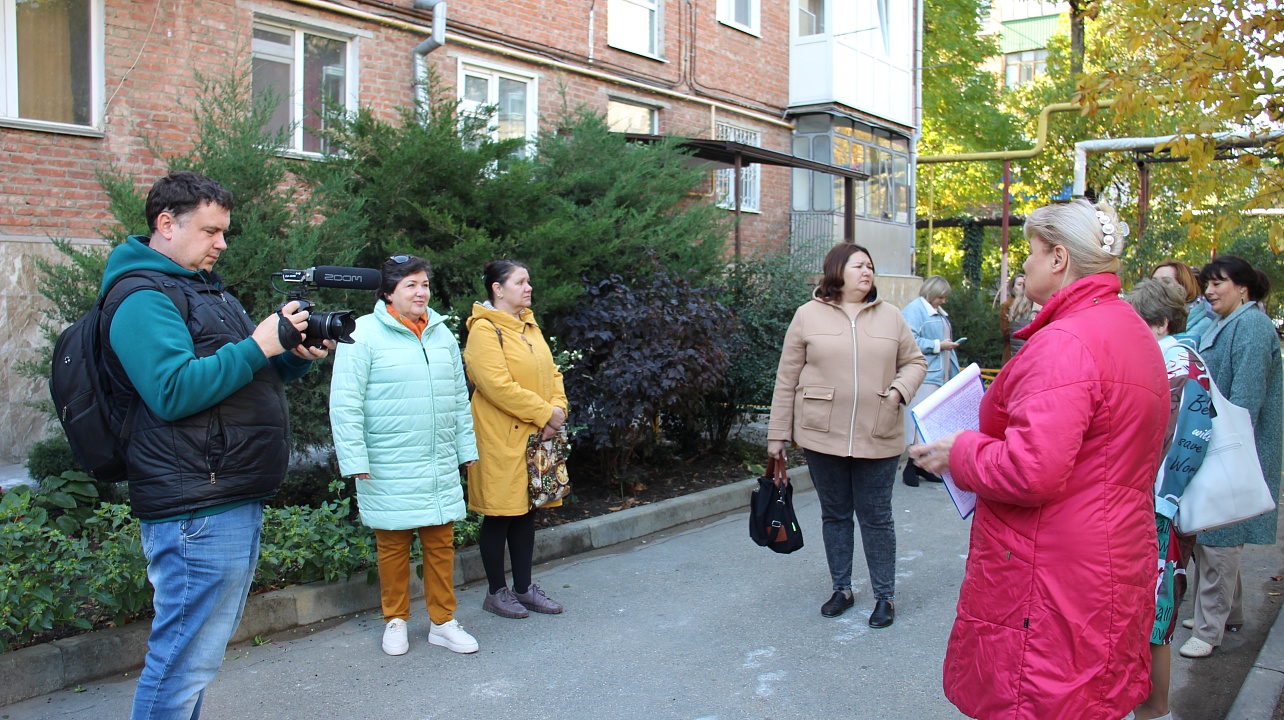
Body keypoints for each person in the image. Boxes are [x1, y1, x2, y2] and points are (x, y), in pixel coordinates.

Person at [910, 199, 1168, 720]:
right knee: (1090, 697)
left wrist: (961, 450)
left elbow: (1032, 470)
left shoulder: (1065, 342)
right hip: (1111, 552)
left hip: (1050, 566)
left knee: (1038, 697)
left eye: (1029, 251)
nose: (1023, 264)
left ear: (1058, 258)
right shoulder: (1130, 330)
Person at [100, 171, 333, 719]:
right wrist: (258, 344)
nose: (222, 243)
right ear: (166, 224)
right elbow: (173, 391)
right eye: (211, 231)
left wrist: (288, 356)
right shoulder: (141, 297)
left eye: (223, 231)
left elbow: (238, 377)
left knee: (196, 660)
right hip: (195, 505)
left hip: (224, 494)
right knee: (183, 662)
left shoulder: (203, 290)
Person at [767, 243, 926, 628]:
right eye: (859, 266)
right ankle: (842, 589)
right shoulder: (806, 316)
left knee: (877, 517)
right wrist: (777, 435)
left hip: (879, 432)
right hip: (822, 434)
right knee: (835, 514)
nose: (867, 271)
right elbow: (786, 378)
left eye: (870, 266)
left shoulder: (891, 317)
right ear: (837, 271)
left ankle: (885, 596)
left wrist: (898, 392)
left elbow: (915, 362)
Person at [330, 254, 480, 657]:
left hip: (436, 459)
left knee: (441, 543)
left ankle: (443, 622)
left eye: (424, 284)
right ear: (388, 292)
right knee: (393, 546)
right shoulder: (362, 333)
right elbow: (345, 402)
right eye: (410, 284)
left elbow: (459, 398)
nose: (421, 292)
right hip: (387, 461)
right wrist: (355, 459)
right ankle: (395, 620)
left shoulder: (441, 334)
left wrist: (466, 448)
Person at [1179, 256, 1283, 660]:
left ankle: (1210, 629)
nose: (1208, 291)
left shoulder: (1252, 326)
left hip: (1235, 447)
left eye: (1218, 283)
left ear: (1243, 287)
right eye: (1207, 283)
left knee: (1220, 536)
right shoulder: (1229, 322)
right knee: (1218, 531)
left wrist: (1222, 443)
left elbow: (1245, 400)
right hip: (1226, 443)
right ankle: (1228, 614)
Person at [1124, 279, 1212, 720]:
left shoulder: (1177, 365)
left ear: (1160, 324)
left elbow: (1185, 442)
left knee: (1155, 620)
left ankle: (1153, 712)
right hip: (1161, 508)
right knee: (1151, 617)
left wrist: (1159, 504)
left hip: (1160, 511)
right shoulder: (1180, 360)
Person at [464, 260, 568, 619]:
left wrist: (558, 409)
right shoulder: (484, 330)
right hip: (499, 439)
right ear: (497, 289)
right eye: (520, 282)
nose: (528, 288)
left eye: (528, 281)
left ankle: (524, 589)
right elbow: (497, 386)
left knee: (526, 511)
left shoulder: (529, 325)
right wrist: (545, 414)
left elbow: (552, 373)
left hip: (535, 436)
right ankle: (496, 592)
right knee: (500, 514)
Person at [900, 275, 960, 487]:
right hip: (924, 374)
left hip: (936, 374)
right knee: (919, 422)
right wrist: (938, 345)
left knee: (928, 421)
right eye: (941, 296)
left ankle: (920, 465)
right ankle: (912, 464)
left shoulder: (934, 311)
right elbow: (909, 340)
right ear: (932, 293)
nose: (944, 301)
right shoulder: (915, 310)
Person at [1152, 260, 1216, 340]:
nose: (1156, 287)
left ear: (1183, 286)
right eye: (1153, 282)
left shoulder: (1205, 326)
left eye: (1166, 282)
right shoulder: (1148, 318)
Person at [998, 273, 1025, 364]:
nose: (1022, 287)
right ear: (1012, 288)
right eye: (1019, 284)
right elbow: (1006, 332)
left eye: (1024, 284)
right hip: (1011, 354)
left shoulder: (1033, 304)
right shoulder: (1006, 306)